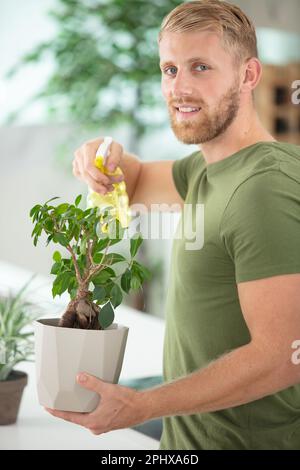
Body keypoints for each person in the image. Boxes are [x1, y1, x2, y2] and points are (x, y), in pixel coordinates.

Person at [46, 0, 300, 450]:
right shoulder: (205, 170)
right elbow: (137, 180)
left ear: (248, 76)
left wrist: (142, 405)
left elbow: (285, 356)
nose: (179, 88)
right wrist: (101, 153)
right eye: (169, 69)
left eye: (200, 67)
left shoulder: (265, 188)